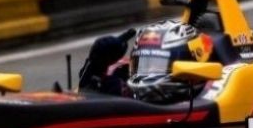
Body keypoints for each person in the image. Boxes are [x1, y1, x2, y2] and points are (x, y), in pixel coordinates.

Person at [78, 20, 208, 102]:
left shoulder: (207, 98)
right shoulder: (118, 87)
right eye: (142, 64)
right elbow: (86, 95)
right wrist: (95, 65)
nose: (145, 73)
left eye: (157, 65)